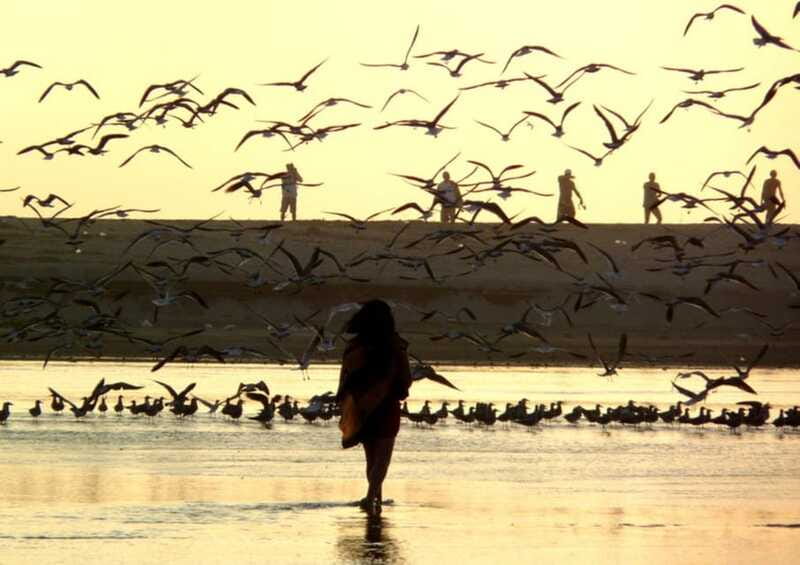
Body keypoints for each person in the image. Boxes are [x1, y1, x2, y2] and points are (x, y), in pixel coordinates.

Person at [337, 300, 412, 517]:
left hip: (362, 407)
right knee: (383, 456)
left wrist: (346, 405)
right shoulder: (395, 346)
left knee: (371, 457)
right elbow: (404, 378)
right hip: (387, 407)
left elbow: (345, 378)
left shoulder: (354, 347)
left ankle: (375, 496)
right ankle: (372, 497)